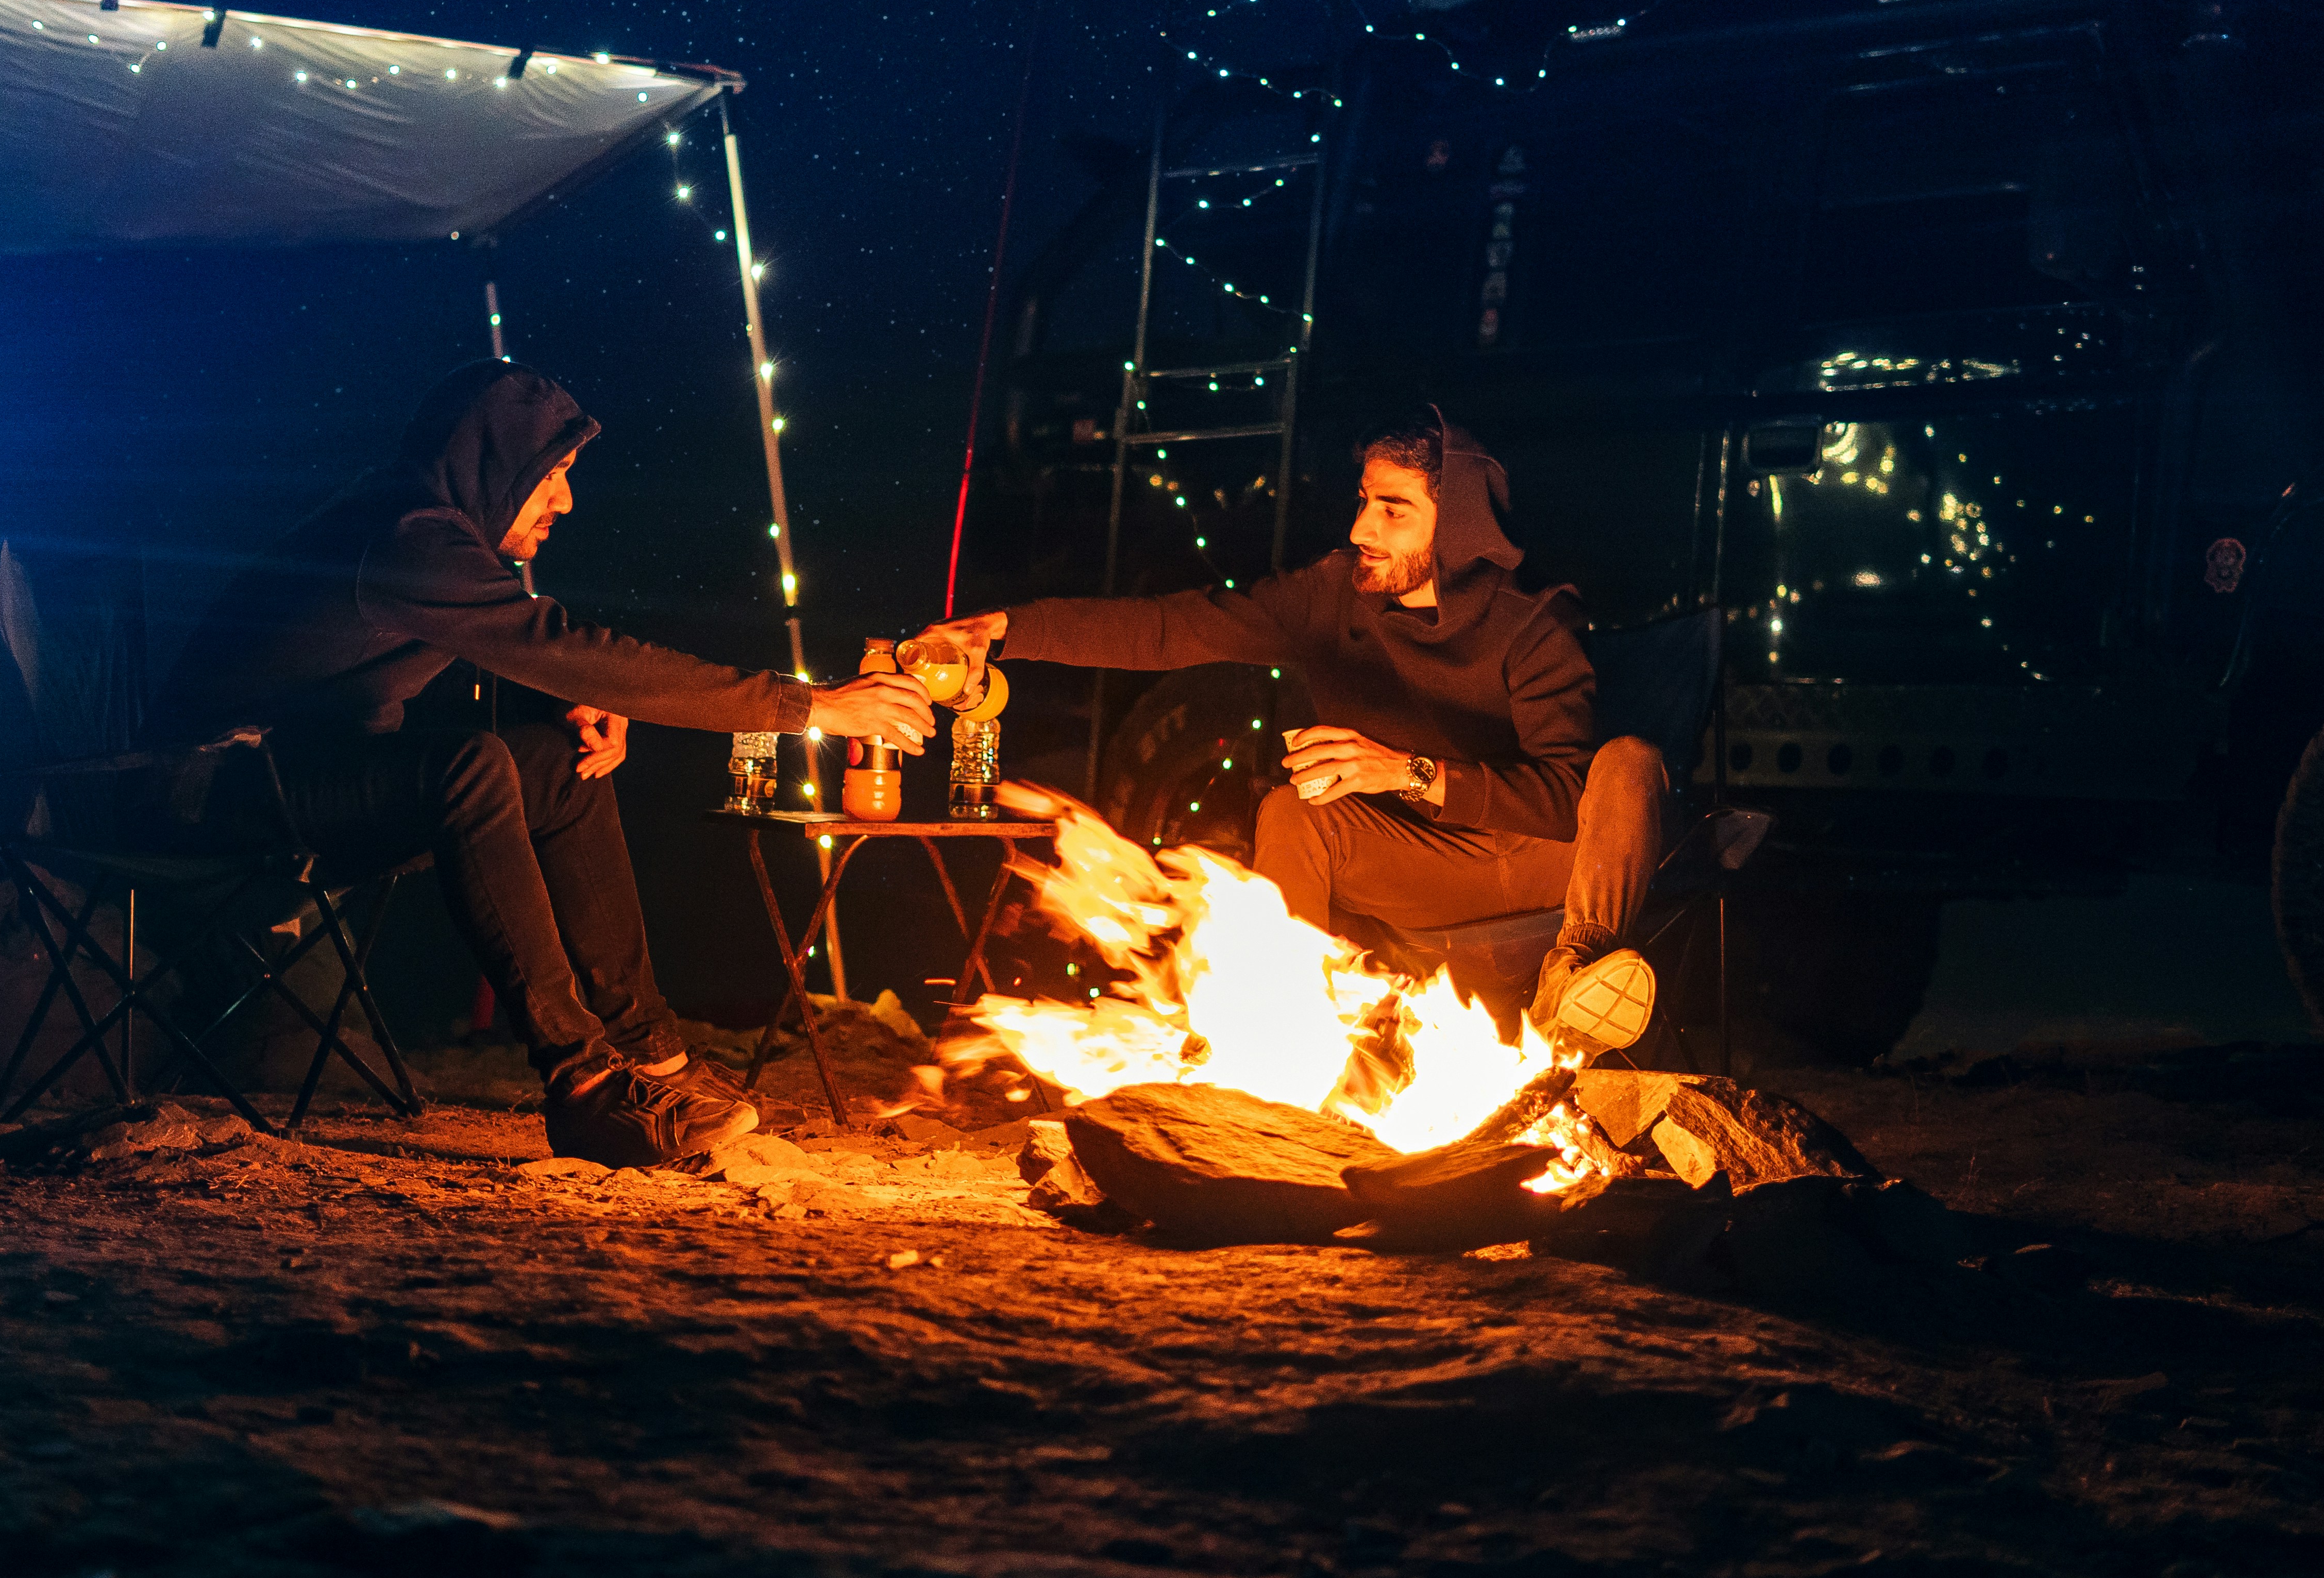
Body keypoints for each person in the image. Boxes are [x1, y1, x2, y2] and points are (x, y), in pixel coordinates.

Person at [150, 361, 932, 1165]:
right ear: (494, 464)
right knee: (470, 765)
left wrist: (567, 701)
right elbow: (560, 646)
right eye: (552, 474)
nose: (564, 500)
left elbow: (510, 652)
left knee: (560, 764)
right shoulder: (408, 537)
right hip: (208, 794)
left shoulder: (430, 534)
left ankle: (652, 1056)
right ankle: (584, 1086)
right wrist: (812, 706)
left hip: (311, 776)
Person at [930, 412, 1667, 1051]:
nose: (1361, 530)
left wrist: (1404, 770)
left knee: (1630, 764)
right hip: (1419, 868)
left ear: (1460, 527)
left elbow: (1565, 797)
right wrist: (1009, 628)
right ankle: (1283, 1038)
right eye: (1363, 502)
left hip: (1546, 862)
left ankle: (1578, 985)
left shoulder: (1534, 620)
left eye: (1393, 511)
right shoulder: (1329, 596)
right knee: (1292, 811)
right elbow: (1169, 628)